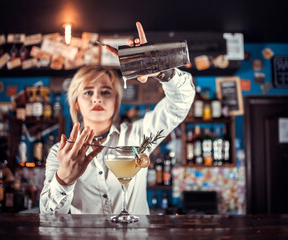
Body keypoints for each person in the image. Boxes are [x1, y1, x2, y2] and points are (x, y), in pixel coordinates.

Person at [40, 22, 195, 214]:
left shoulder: (139, 136)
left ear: (116, 101)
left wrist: (158, 68)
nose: (97, 97)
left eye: (105, 92)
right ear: (76, 103)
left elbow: (180, 104)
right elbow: (48, 216)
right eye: (88, 92)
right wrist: (64, 180)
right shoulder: (61, 152)